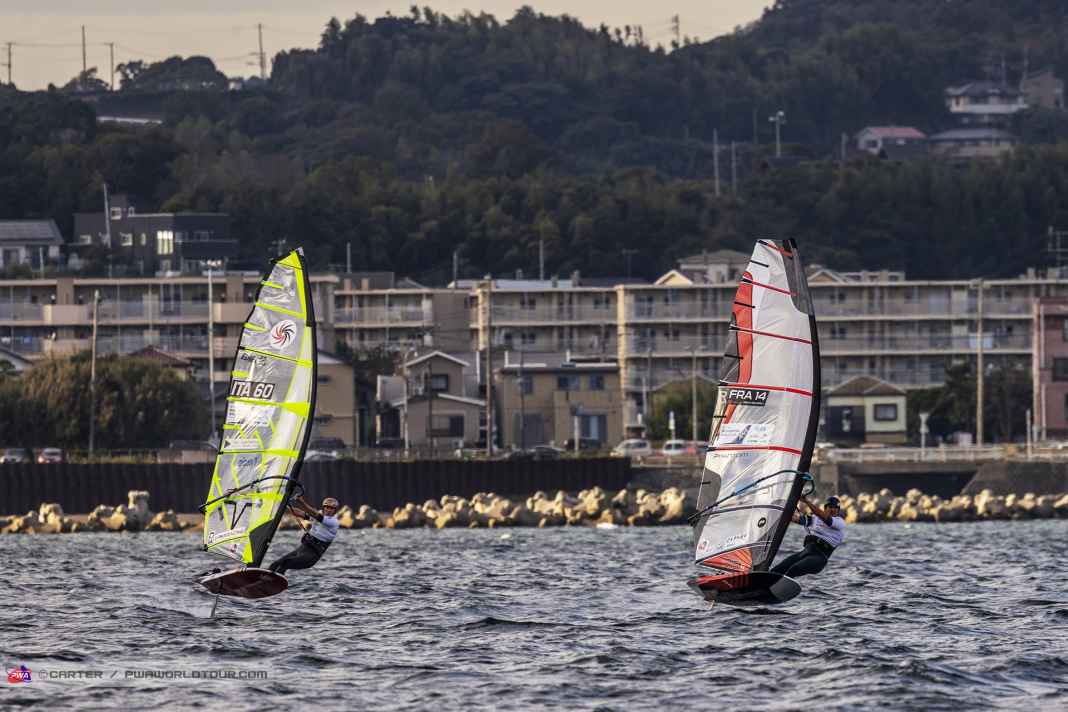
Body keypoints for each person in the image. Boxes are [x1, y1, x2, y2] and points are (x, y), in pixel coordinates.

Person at [770, 495, 845, 579]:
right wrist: (779, 512)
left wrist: (807, 502)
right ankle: (762, 585)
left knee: (794, 569)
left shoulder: (839, 522)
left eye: (835, 508)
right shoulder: (815, 519)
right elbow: (797, 519)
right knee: (777, 570)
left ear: (838, 510)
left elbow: (825, 518)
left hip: (819, 558)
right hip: (804, 553)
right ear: (825, 508)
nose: (833, 509)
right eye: (830, 507)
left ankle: (778, 589)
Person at [268, 495, 340, 576]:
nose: (328, 510)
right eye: (326, 507)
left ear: (335, 511)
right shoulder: (318, 517)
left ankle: (271, 582)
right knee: (275, 564)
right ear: (323, 508)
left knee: (285, 564)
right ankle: (261, 578)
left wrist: (301, 501)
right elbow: (300, 513)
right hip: (302, 549)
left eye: (331, 508)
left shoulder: (333, 522)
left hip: (311, 557)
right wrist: (285, 506)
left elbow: (313, 513)